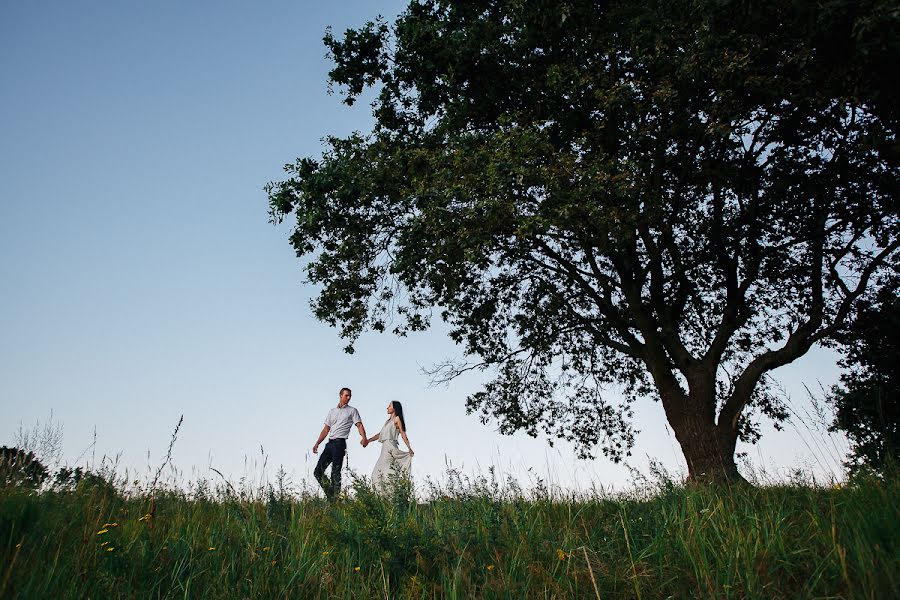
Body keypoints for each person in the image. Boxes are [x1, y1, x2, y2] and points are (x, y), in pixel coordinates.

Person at [313, 387, 368, 500]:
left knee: (335, 473)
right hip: (329, 444)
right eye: (346, 395)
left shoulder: (352, 411)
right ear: (340, 395)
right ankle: (332, 496)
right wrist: (317, 443)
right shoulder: (332, 411)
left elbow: (359, 425)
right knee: (318, 472)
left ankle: (335, 500)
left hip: (339, 444)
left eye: (350, 396)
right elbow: (326, 429)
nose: (348, 398)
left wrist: (364, 437)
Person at [367, 400, 414, 494]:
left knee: (381, 473)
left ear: (394, 408)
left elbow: (403, 433)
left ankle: (391, 496)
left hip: (390, 447)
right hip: (385, 447)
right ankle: (386, 496)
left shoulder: (397, 419)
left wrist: (409, 448)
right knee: (379, 474)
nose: (387, 408)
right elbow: (380, 434)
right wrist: (368, 440)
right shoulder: (387, 421)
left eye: (389, 406)